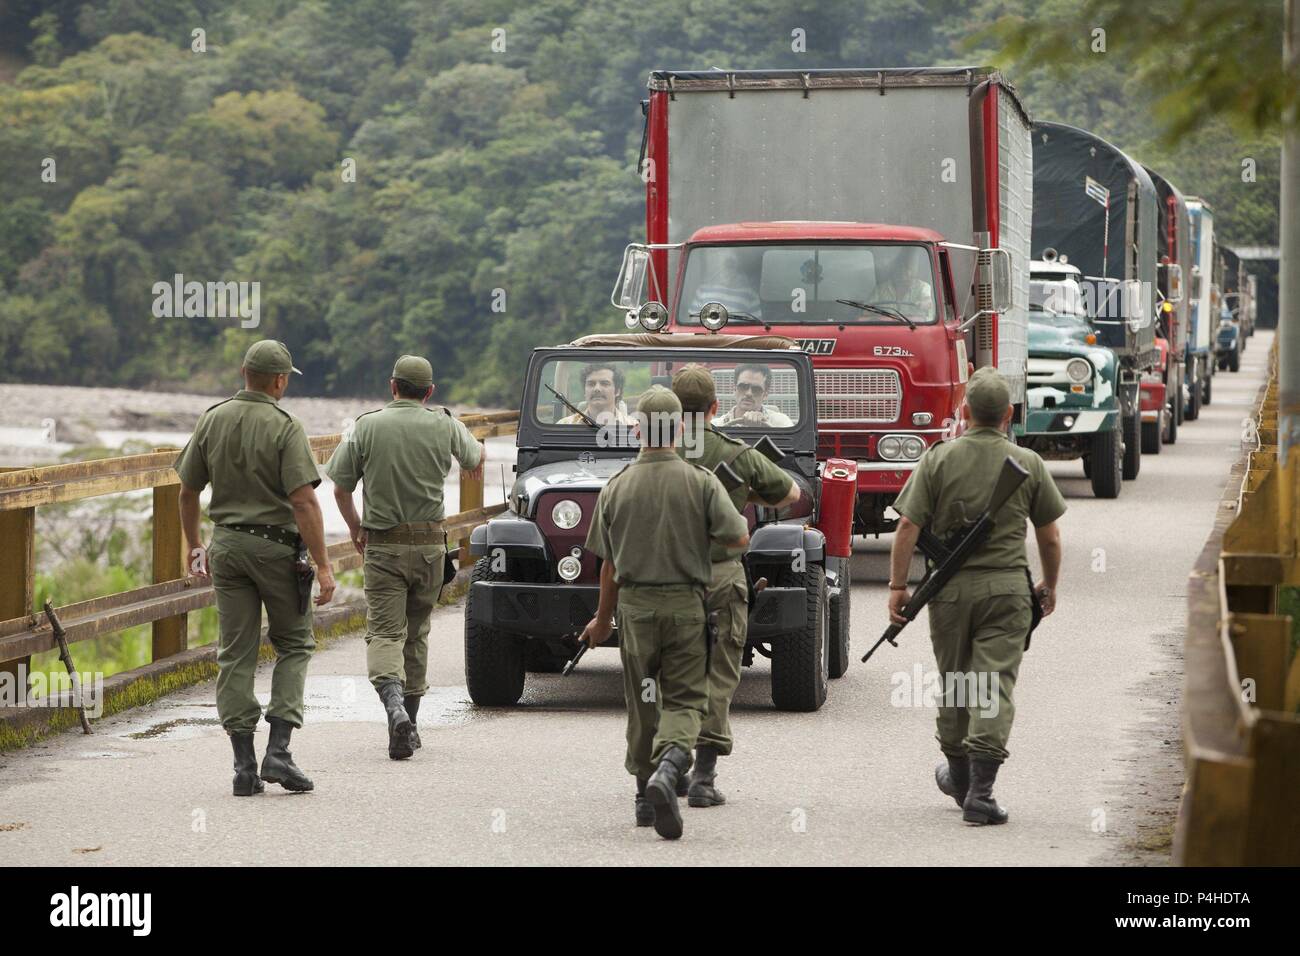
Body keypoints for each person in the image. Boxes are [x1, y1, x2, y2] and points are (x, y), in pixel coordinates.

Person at [888, 366, 1064, 825]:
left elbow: (907, 525)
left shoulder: (938, 458)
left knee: (958, 681)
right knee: (993, 684)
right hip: (1006, 590)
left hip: (947, 594)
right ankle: (979, 791)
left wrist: (898, 587)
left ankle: (962, 778)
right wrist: (1049, 583)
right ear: (1008, 414)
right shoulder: (1029, 463)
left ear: (963, 412)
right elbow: (1050, 537)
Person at [578, 386, 750, 840]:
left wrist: (602, 620)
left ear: (637, 429)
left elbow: (609, 567)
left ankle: (643, 796)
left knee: (643, 699)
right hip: (685, 606)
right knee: (687, 697)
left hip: (635, 610)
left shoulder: (616, 488)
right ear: (678, 429)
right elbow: (738, 538)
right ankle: (672, 764)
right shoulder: (701, 482)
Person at [175, 339, 336, 796]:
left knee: (235, 652)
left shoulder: (212, 418)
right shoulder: (285, 427)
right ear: (280, 380)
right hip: (276, 551)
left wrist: (193, 545)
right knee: (295, 643)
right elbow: (303, 501)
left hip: (225, 549)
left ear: (244, 373)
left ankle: (243, 767)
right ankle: (279, 753)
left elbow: (186, 491)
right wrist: (323, 566)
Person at [325, 355, 484, 760]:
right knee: (416, 632)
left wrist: (355, 526)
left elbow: (340, 488)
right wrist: (472, 455)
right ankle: (410, 721)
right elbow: (475, 457)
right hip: (430, 547)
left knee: (384, 633)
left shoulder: (365, 426)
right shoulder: (445, 424)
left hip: (383, 546)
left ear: (392, 386)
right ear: (429, 392)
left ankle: (393, 708)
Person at [671, 365, 800, 807]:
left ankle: (669, 765)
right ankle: (704, 778)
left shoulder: (656, 451)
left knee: (672, 676)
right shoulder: (734, 452)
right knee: (720, 675)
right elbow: (789, 494)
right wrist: (744, 496)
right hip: (720, 577)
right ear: (714, 408)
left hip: (666, 579)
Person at [712, 364, 794, 428]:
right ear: (735, 389)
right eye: (743, 386)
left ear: (765, 394)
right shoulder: (717, 425)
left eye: (756, 389)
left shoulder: (781, 423)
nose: (749, 393)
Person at [556, 363, 636, 426]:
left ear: (617, 391)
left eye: (605, 383)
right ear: (584, 391)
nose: (597, 389)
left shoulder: (633, 426)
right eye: (591, 384)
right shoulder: (565, 425)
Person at [873, 248, 936, 319]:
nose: (902, 273)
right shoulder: (881, 289)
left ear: (913, 271)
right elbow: (867, 308)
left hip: (915, 327)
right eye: (899, 268)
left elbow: (927, 300)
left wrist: (925, 303)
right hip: (886, 327)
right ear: (893, 270)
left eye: (906, 268)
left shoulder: (923, 287)